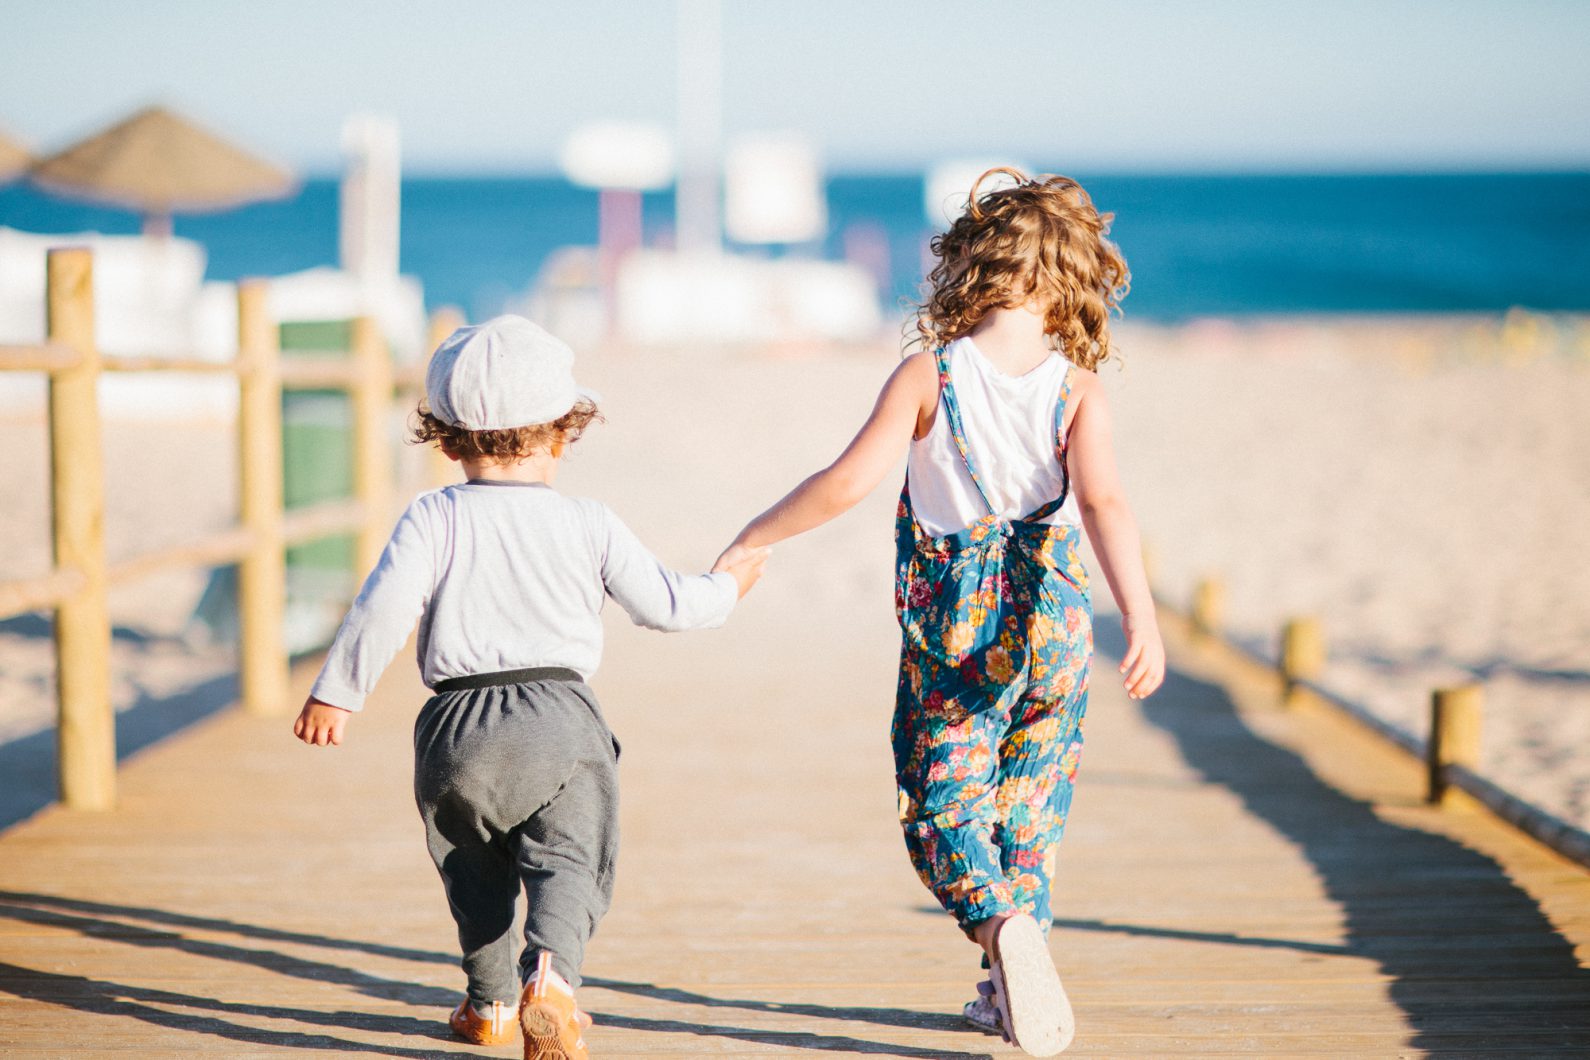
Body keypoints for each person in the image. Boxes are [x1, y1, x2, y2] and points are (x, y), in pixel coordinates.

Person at [715, 169, 1164, 1056]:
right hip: (1056, 631)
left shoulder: (929, 373)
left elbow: (848, 481)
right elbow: (1108, 506)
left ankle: (1000, 930)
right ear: (1073, 277)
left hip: (954, 638)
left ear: (969, 268)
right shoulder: (1079, 390)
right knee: (1029, 806)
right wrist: (1142, 621)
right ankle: (1011, 976)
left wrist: (755, 535)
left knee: (942, 801)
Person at [292, 315, 768, 1060]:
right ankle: (552, 980)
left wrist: (338, 693)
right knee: (569, 861)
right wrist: (730, 585)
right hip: (560, 717)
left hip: (456, 724)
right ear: (562, 433)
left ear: (445, 441)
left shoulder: (433, 515)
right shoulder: (588, 522)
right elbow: (666, 607)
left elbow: (381, 606)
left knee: (471, 873)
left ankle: (489, 1006)